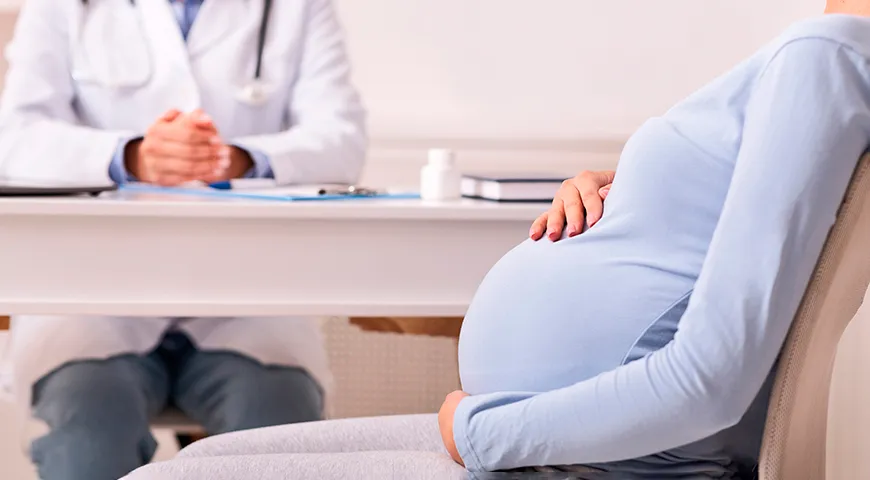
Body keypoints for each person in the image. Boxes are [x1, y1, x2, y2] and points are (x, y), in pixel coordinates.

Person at [124, 1, 870, 479]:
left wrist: (478, 435)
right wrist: (638, 187)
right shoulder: (818, 62)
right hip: (577, 452)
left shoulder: (829, 53)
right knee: (194, 466)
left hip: (588, 460)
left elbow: (708, 384)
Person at [0, 1, 365, 479]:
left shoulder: (298, 7)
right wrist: (129, 158)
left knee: (279, 433)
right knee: (86, 435)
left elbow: (342, 138)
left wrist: (239, 159)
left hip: (244, 302)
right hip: (96, 301)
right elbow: (15, 136)